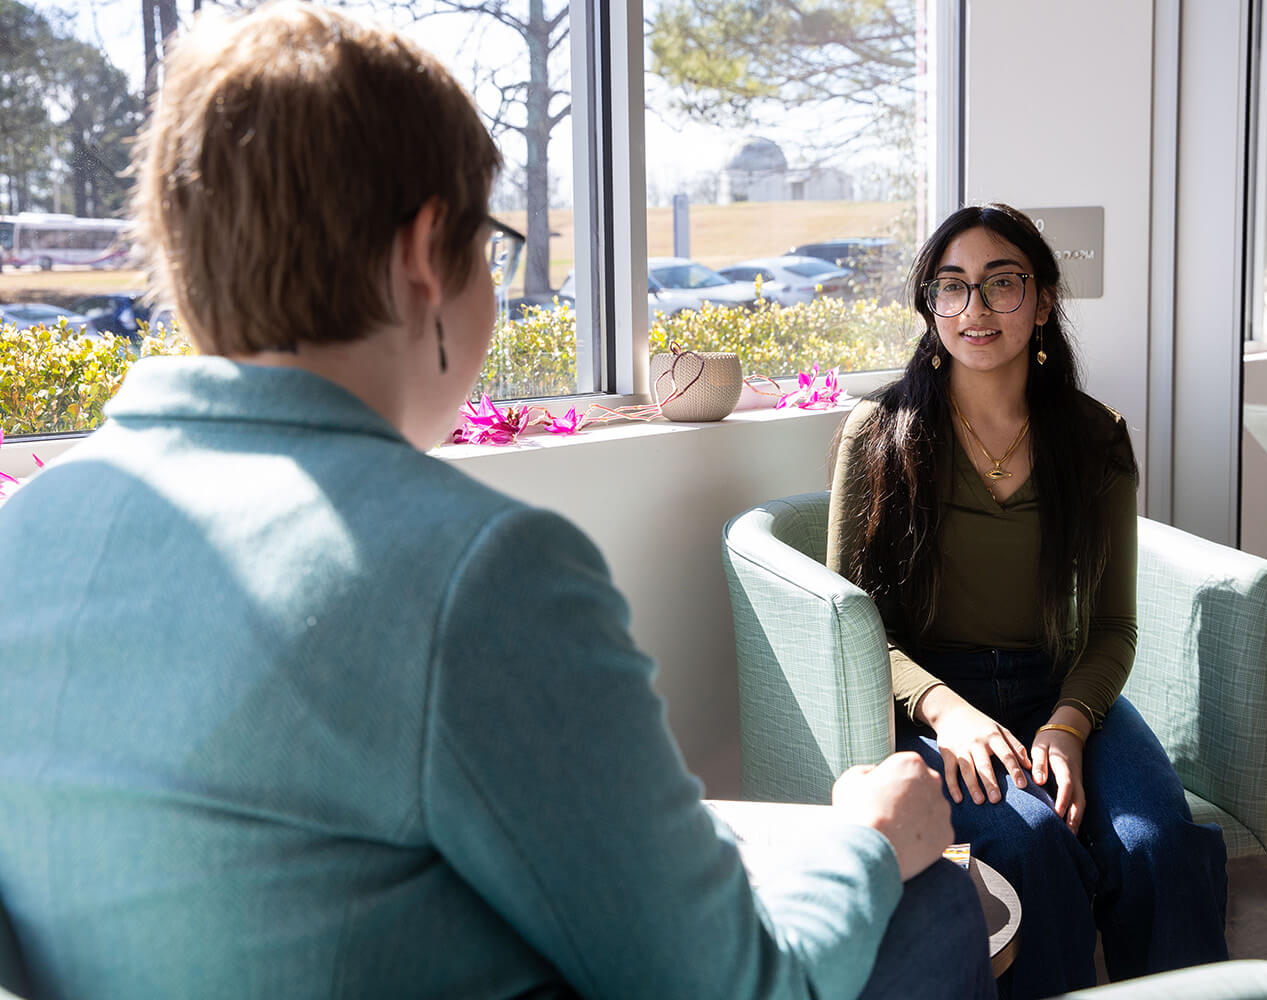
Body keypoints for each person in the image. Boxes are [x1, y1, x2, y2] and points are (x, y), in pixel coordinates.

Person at [0, 6, 994, 998]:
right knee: (933, 897)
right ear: (429, 249)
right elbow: (726, 982)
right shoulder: (475, 568)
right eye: (494, 240)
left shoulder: (31, 531)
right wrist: (871, 839)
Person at [828, 204, 1230, 998]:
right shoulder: (878, 431)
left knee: (1156, 844)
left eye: (1000, 284)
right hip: (929, 702)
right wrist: (947, 710)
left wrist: (1070, 724)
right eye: (951, 288)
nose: (974, 310)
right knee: (1033, 843)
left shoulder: (1094, 436)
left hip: (1060, 689)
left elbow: (1112, 626)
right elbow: (845, 632)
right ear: (929, 306)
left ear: (1043, 300)